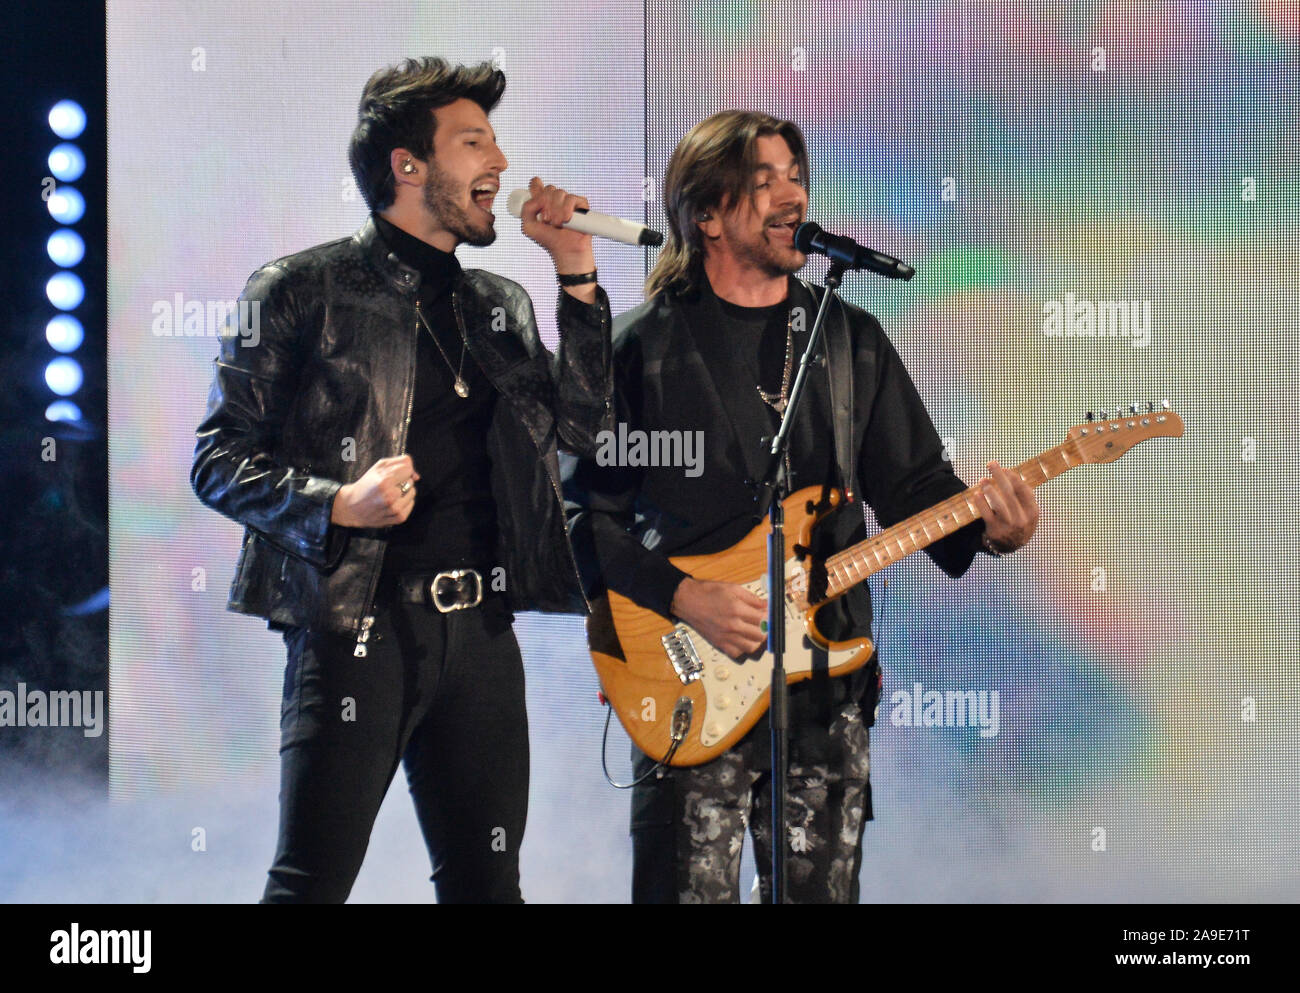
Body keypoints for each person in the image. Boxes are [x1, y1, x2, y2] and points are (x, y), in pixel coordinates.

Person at [563, 110, 1038, 903]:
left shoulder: (848, 341)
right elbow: (585, 517)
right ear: (706, 214)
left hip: (826, 685)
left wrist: (994, 533)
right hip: (687, 677)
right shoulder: (642, 349)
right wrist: (684, 596)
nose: (792, 195)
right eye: (763, 182)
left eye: (796, 175)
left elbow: (918, 487)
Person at [190, 57, 612, 903]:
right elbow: (217, 457)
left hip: (483, 635)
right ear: (407, 166)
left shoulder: (498, 302)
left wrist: (575, 274)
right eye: (473, 142)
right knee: (310, 884)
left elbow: (581, 429)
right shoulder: (299, 289)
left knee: (488, 887)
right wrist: (337, 502)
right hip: (356, 631)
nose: (499, 161)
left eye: (494, 140)